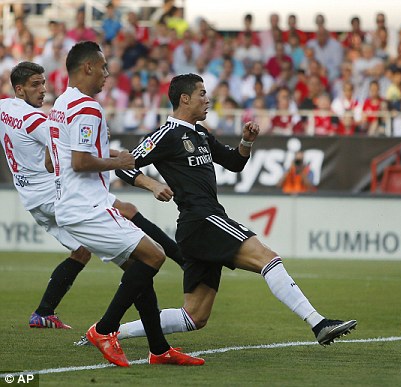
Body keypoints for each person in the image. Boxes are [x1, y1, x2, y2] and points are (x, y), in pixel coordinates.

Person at [114, 74, 355, 345]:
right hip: (202, 218)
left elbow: (233, 162)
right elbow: (124, 163)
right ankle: (318, 323)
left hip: (197, 226)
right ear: (184, 98)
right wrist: (151, 184)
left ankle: (113, 331)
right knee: (268, 258)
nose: (208, 100)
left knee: (194, 316)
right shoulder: (167, 134)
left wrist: (246, 142)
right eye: (202, 94)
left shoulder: (200, 133)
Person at [49, 41, 202, 367]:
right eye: (103, 67)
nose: (107, 74)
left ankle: (159, 350)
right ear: (87, 67)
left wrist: (106, 159)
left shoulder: (61, 104)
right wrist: (117, 159)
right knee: (154, 255)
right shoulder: (87, 108)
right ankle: (104, 329)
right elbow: (80, 162)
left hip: (75, 202)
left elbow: (54, 161)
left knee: (138, 270)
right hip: (86, 205)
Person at [0, 61, 185, 331]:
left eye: (43, 83)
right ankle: (184, 262)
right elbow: (61, 157)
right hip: (54, 194)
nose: (43, 90)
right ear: (19, 89)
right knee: (128, 213)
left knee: (82, 251)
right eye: (35, 85)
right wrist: (111, 150)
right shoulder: (37, 121)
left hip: (32, 198)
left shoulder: (5, 107)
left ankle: (43, 312)